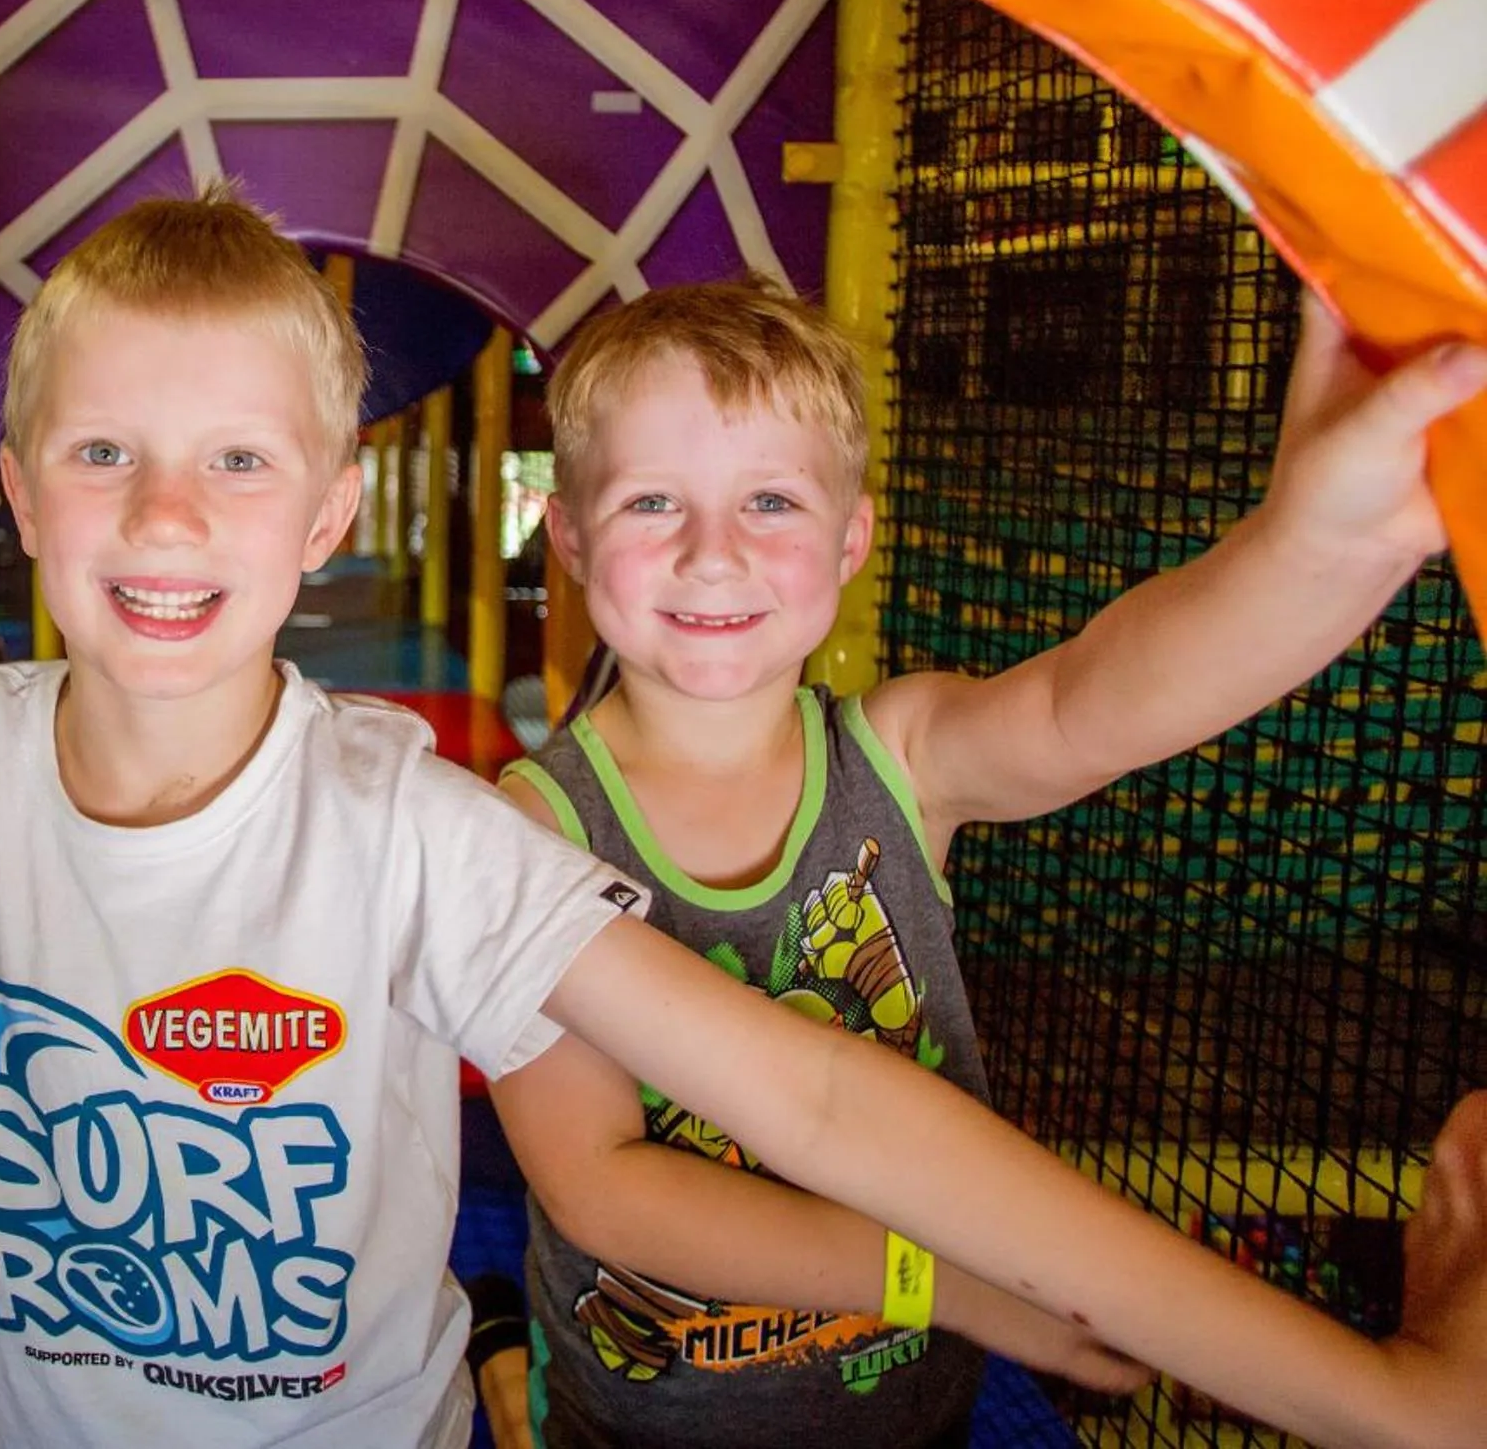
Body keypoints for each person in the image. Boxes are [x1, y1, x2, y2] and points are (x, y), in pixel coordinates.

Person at [0, 191, 1487, 1449]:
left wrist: (1376, 1400)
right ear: (18, 490)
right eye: (109, 456)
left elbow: (832, 1085)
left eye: (239, 460)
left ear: (334, 510)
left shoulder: (429, 828)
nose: (167, 510)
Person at [477, 275, 1487, 1449]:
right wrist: (944, 1282)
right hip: (647, 1423)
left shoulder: (898, 755)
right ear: (566, 534)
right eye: (654, 501)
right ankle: (504, 1357)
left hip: (905, 1408)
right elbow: (605, 1185)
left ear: (849, 538)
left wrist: (1315, 544)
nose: (713, 553)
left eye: (769, 500)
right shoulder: (538, 826)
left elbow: (1096, 700)